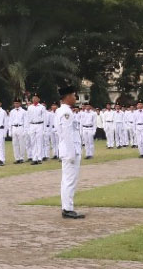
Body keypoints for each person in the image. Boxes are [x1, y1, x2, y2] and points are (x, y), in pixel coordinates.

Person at [55, 85, 84, 219]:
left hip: (69, 149)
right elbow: (67, 134)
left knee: (68, 180)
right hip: (69, 151)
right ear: (67, 97)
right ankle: (67, 208)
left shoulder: (64, 111)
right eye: (73, 95)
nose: (75, 98)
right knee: (69, 180)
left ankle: (67, 207)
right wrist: (72, 153)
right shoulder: (66, 112)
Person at [26, 95, 47, 164]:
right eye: (33, 98)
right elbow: (28, 118)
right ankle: (34, 158)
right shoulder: (30, 107)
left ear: (38, 99)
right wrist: (28, 129)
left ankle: (39, 158)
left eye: (36, 98)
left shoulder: (42, 107)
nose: (34, 99)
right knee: (33, 142)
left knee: (39, 142)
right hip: (32, 125)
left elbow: (44, 118)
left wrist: (44, 129)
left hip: (39, 124)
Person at [8, 98, 27, 163]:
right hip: (14, 127)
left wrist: (25, 130)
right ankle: (17, 158)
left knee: (21, 143)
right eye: (15, 103)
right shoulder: (12, 111)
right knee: (15, 144)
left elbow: (25, 122)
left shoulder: (24, 111)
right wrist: (10, 131)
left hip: (20, 127)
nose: (16, 104)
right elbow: (10, 122)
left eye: (17, 103)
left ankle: (22, 158)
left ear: (20, 103)